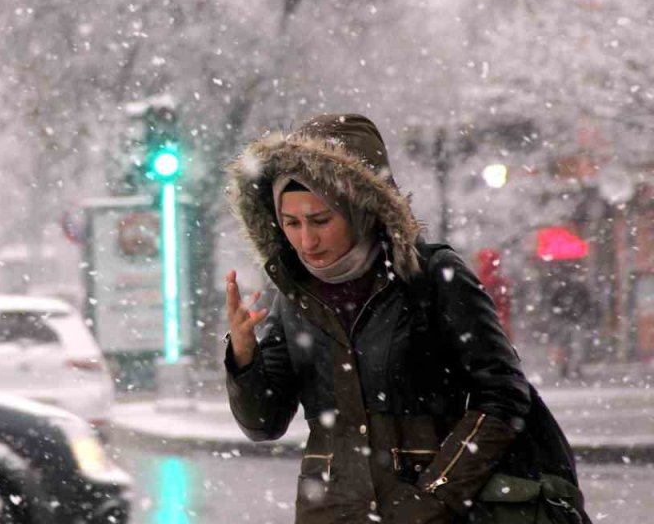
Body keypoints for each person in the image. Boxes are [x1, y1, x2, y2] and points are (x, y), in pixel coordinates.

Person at [222, 114, 533, 523]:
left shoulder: (431, 278)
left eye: (321, 220)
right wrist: (244, 358)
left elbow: (503, 396)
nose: (306, 240)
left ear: (360, 209)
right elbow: (263, 424)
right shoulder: (294, 296)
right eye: (291, 223)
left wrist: (434, 496)